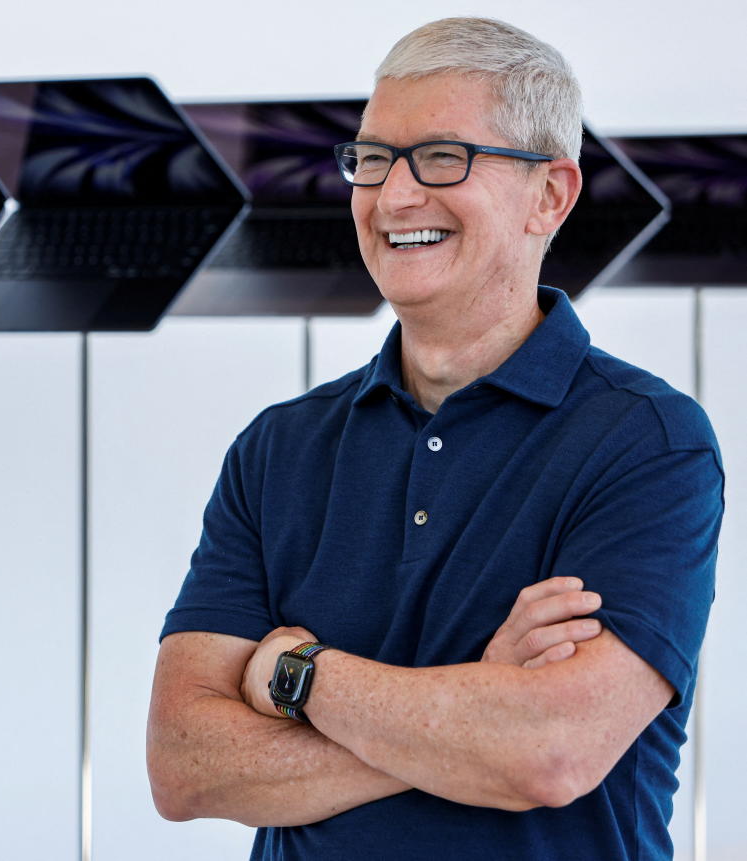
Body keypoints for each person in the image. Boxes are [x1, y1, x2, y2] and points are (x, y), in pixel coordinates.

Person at [146, 17, 724, 861]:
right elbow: (184, 764)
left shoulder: (647, 442)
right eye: (373, 159)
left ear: (549, 196)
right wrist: (473, 710)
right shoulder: (277, 448)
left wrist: (292, 675)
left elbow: (548, 752)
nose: (395, 196)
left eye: (442, 157)